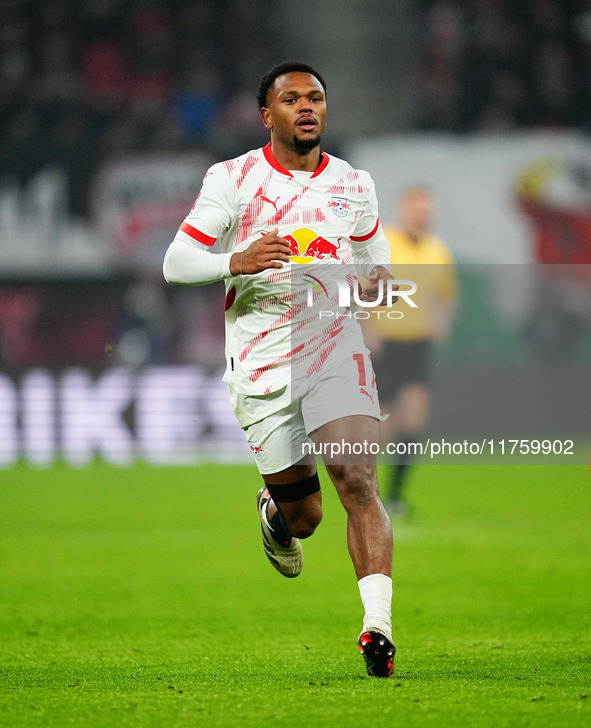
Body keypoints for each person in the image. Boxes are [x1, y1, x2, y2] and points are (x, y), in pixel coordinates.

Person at [163, 61, 396, 677]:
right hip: (261, 363)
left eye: (315, 97)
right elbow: (177, 262)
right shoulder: (234, 179)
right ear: (268, 115)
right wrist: (235, 259)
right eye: (290, 99)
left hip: (335, 348)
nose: (306, 107)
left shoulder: (353, 184)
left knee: (356, 477)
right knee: (307, 518)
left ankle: (378, 628)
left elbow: (379, 268)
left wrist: (374, 286)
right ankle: (276, 508)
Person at [364, 187, 456, 516]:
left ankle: (395, 496)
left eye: (426, 209)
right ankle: (368, 497)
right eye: (416, 208)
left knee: (415, 421)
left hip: (417, 346)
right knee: (384, 427)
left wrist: (441, 321)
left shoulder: (438, 251)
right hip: (385, 346)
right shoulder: (383, 243)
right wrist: (368, 328)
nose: (422, 214)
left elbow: (446, 296)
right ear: (403, 209)